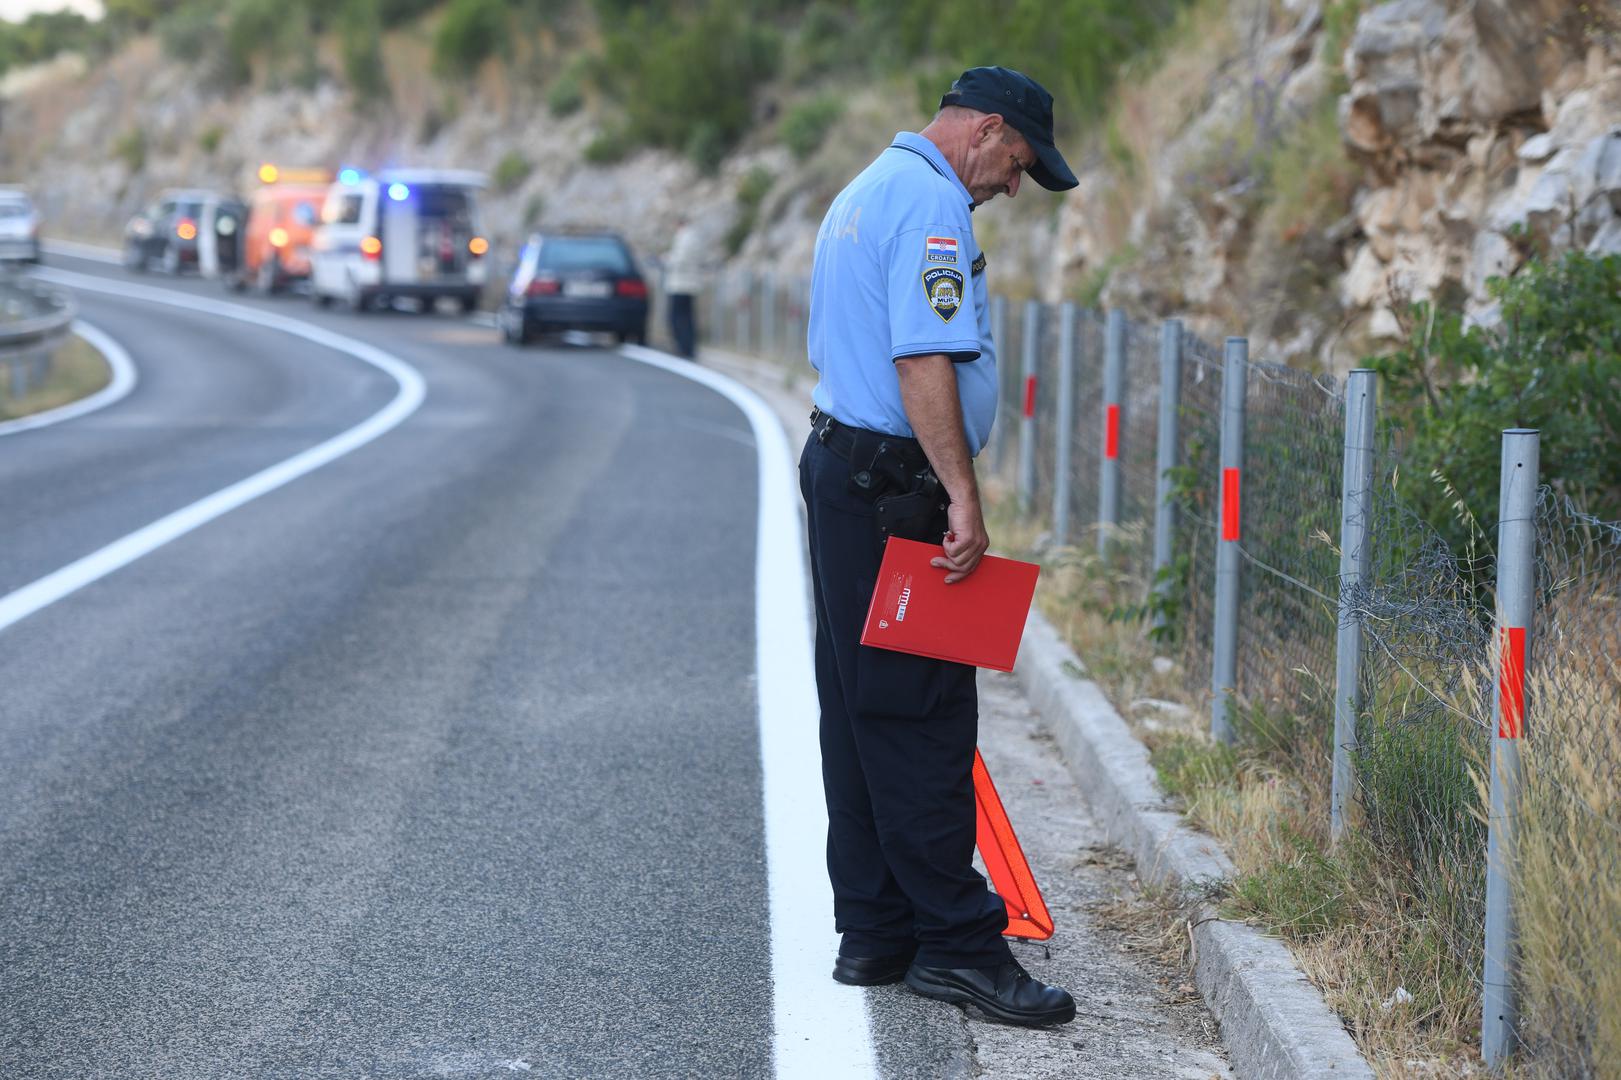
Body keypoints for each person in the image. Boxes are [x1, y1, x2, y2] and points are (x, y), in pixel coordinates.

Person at [798, 66, 1080, 1027]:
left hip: (844, 472)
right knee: (919, 717)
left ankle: (875, 929)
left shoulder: (867, 187)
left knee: (858, 706)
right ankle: (959, 948)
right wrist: (959, 492)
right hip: (895, 489)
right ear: (987, 129)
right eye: (1018, 163)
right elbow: (922, 357)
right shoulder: (930, 208)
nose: (1012, 185)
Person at [663, 214, 704, 359]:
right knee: (688, 317)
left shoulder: (684, 237)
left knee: (676, 317)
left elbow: (679, 260)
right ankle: (688, 347)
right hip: (691, 284)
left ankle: (683, 346)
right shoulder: (696, 237)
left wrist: (666, 260)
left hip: (680, 284)